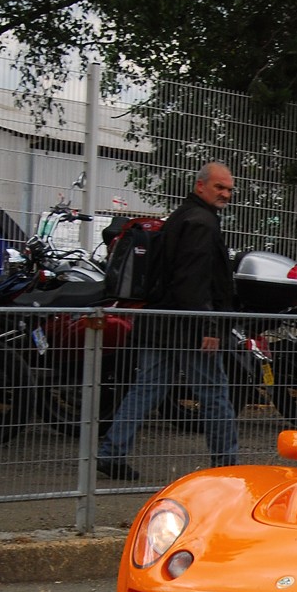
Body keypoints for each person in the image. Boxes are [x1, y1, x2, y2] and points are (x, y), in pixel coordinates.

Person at [96, 162, 241, 480]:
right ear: (200, 185)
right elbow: (194, 280)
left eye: (229, 189)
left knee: (146, 389)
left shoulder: (181, 217)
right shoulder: (202, 223)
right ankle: (227, 464)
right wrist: (209, 327)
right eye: (220, 187)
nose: (226, 194)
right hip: (188, 326)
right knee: (215, 395)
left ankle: (111, 452)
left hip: (162, 321)